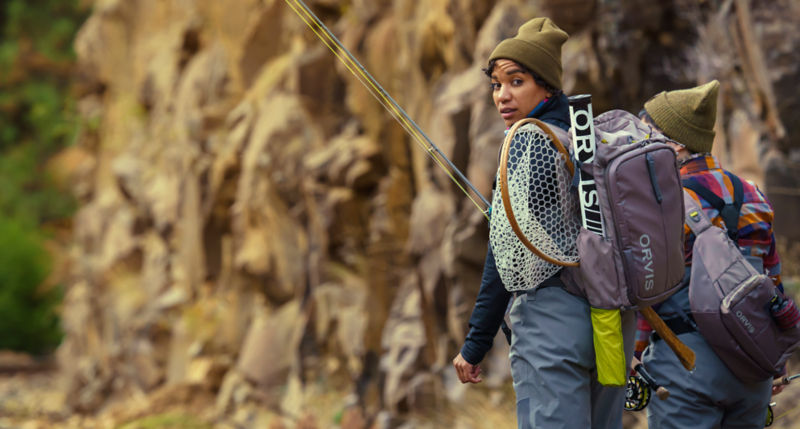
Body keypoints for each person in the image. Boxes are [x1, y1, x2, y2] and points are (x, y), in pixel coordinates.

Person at [452, 17, 635, 428]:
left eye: (516, 82)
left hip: (554, 324)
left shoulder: (529, 143)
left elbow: (504, 258)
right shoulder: (589, 136)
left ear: (547, 86)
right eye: (497, 84)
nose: (502, 96)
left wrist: (476, 343)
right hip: (611, 325)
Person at [637, 80, 785, 428]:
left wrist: (635, 349)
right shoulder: (754, 196)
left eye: (645, 137)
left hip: (686, 366)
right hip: (753, 366)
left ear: (673, 144)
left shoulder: (663, 203)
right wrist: (777, 361)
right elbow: (772, 281)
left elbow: (649, 284)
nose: (638, 148)